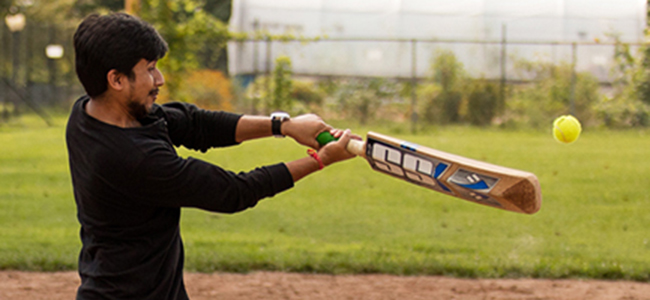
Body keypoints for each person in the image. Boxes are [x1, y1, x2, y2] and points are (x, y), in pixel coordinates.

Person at [66, 12, 356, 300]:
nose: (160, 80)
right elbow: (232, 192)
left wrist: (285, 126)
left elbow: (196, 125)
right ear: (116, 79)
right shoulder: (133, 158)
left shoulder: (90, 113)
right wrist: (321, 160)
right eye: (151, 69)